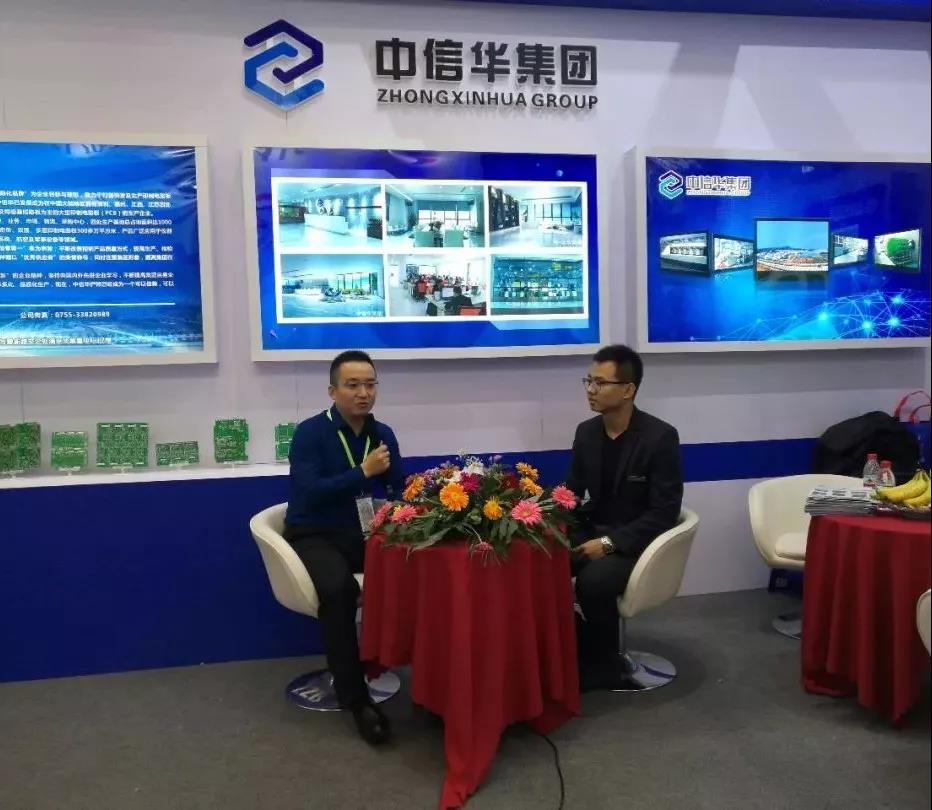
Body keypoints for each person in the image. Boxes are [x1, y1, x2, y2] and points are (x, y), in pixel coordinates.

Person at [283, 350, 405, 743]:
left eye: (370, 384)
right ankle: (357, 700)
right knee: (338, 590)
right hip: (314, 533)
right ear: (333, 391)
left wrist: (405, 505)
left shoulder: (381, 433)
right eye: (353, 385)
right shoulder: (310, 433)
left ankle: (427, 676)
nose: (363, 393)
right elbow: (310, 492)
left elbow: (398, 486)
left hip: (362, 533)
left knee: (422, 565)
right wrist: (362, 472)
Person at [566, 344, 683, 691]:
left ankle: (605, 666)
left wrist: (607, 544)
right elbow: (571, 493)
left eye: (600, 383)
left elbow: (664, 512)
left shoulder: (659, 437)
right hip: (593, 528)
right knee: (540, 564)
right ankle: (580, 648)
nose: (591, 390)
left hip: (635, 541)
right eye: (588, 381)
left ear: (628, 389)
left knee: (593, 582)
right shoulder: (586, 432)